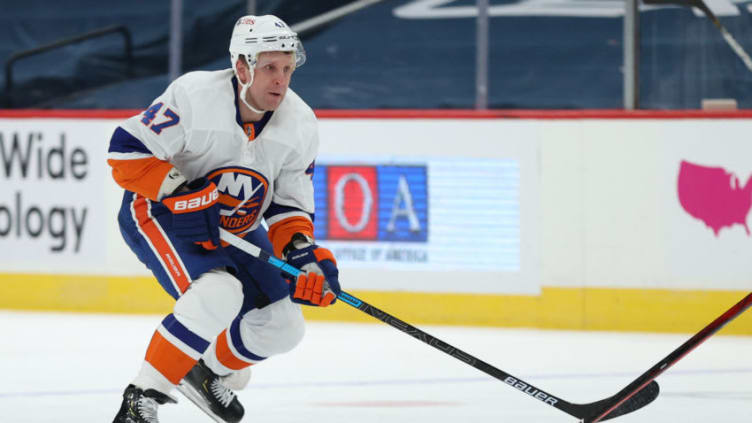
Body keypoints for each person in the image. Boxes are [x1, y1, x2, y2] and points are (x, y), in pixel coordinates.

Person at [108, 14, 341, 423]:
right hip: (159, 211)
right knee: (220, 292)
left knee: (284, 326)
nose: (280, 80)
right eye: (269, 68)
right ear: (241, 67)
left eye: (287, 69)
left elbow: (289, 207)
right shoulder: (194, 95)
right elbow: (125, 152)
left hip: (239, 227)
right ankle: (139, 399)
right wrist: (182, 192)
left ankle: (204, 370)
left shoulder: (300, 122)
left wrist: (304, 255)